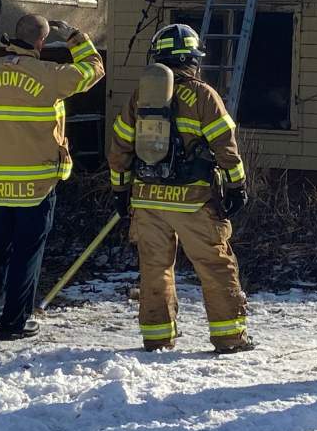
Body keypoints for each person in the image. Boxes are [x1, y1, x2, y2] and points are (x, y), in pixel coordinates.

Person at [107, 23, 253, 354]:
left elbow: (119, 149)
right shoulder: (203, 96)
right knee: (216, 266)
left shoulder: (140, 98)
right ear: (193, 59)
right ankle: (229, 337)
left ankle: (157, 337)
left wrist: (120, 192)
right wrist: (236, 186)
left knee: (154, 268)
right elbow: (226, 147)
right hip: (193, 201)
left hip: (147, 199)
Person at [0, 15, 105, 340]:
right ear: (41, 43)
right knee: (27, 253)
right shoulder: (50, 76)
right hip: (37, 187)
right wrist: (76, 38)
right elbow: (94, 70)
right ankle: (15, 322)